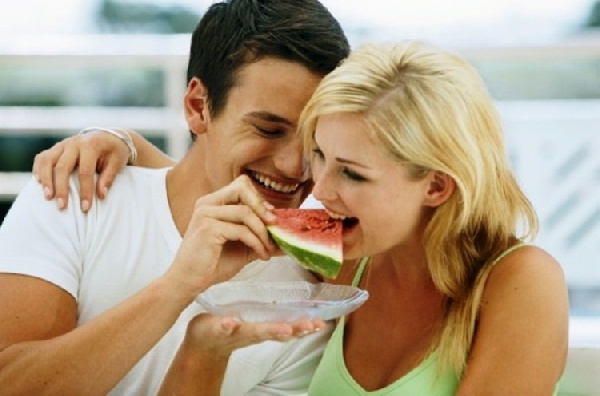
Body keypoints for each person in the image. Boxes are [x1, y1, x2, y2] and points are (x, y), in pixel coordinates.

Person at [36, 40, 570, 394]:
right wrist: (120, 142)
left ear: (435, 184)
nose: (318, 188)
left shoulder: (518, 281)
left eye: (353, 174)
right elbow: (208, 189)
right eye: (320, 155)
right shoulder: (337, 254)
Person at [0, 0, 350, 394]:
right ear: (198, 106)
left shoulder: (305, 310)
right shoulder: (75, 193)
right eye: (268, 130)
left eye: (313, 140)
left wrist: (205, 354)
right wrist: (177, 287)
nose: (294, 166)